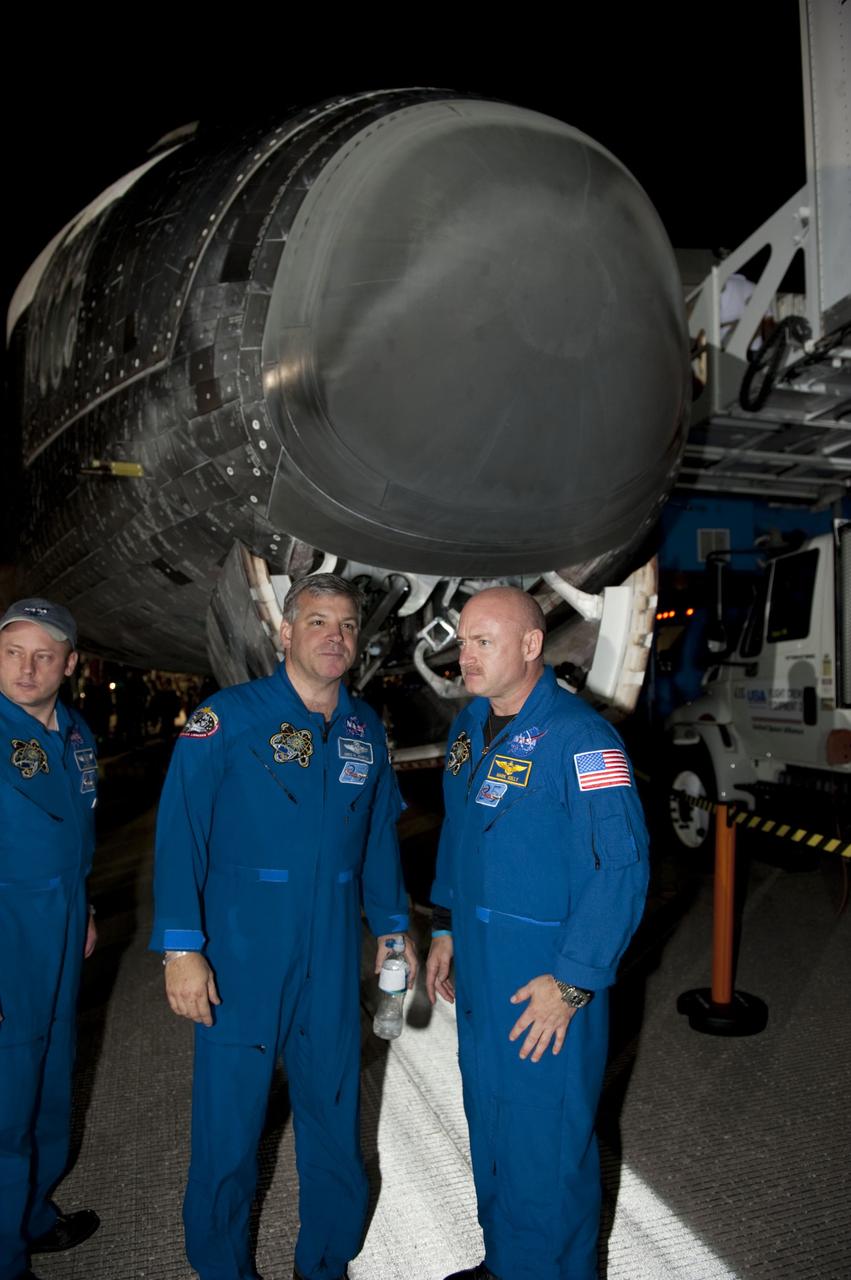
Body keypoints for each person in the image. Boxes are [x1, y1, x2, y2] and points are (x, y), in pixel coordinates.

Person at [150, 572, 416, 1280]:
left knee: (333, 1108)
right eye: (319, 621)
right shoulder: (226, 718)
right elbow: (180, 834)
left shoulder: (363, 728)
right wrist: (182, 947)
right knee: (229, 1124)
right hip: (241, 943)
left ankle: (325, 1260)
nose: (335, 637)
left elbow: (378, 838)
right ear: (285, 632)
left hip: (330, 943)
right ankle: (221, 1266)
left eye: (348, 625)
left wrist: (392, 927)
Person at [426, 587, 649, 1280]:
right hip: (481, 966)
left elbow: (621, 869)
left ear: (530, 646)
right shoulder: (468, 726)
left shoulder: (582, 740)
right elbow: (458, 834)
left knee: (548, 1145)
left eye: (482, 642)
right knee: (492, 1123)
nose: (463, 656)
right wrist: (443, 924)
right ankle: (507, 1262)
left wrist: (576, 982)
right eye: (461, 641)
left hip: (545, 974)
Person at [0, 598, 100, 1280]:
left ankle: (32, 1217)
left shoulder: (76, 734)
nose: (25, 669)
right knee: (7, 1097)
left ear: (69, 663)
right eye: (11, 652)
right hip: (7, 926)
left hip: (63, 920)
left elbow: (79, 829)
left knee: (50, 1085)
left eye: (43, 655)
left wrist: (84, 905)